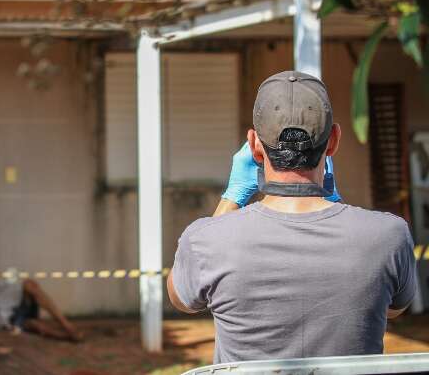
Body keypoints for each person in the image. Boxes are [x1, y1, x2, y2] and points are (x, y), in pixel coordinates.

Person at [167, 71, 417, 363]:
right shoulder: (389, 236)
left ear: (254, 145)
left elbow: (182, 300)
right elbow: (391, 308)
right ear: (334, 140)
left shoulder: (207, 240)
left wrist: (232, 196)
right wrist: (335, 202)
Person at [0, 279, 83, 342]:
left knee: (30, 289)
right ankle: (67, 332)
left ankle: (67, 329)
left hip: (9, 311)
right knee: (32, 323)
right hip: (8, 315)